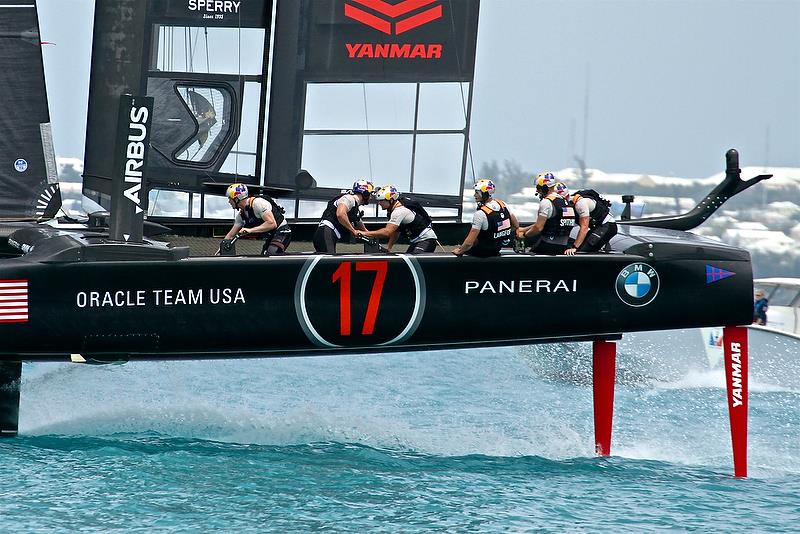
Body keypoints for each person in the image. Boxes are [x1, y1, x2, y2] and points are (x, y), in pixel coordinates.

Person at [359, 185, 438, 254]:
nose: (379, 203)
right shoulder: (393, 210)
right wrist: (389, 248)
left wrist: (364, 233)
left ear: (391, 200)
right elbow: (396, 231)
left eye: (381, 200)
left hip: (426, 240)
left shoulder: (399, 211)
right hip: (417, 241)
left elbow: (387, 232)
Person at [453, 179, 518, 257]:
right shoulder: (503, 204)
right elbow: (516, 225)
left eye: (477, 193)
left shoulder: (480, 214)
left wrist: (459, 251)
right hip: (497, 249)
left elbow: (469, 243)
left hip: (482, 253)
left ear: (484, 193)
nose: (474, 195)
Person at [222, 182, 291, 255]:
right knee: (263, 257)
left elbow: (272, 224)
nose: (229, 202)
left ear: (236, 199)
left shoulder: (258, 204)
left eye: (230, 199)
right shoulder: (241, 215)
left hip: (283, 232)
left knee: (271, 255)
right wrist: (221, 251)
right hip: (272, 235)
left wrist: (250, 230)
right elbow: (230, 236)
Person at [516, 172, 576, 255]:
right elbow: (548, 223)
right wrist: (523, 229)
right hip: (563, 246)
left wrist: (524, 235)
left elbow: (538, 227)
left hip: (548, 245)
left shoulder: (546, 202)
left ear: (544, 188)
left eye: (538, 187)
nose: (537, 190)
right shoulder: (564, 200)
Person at [313, 179, 374, 253]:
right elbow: (341, 214)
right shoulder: (349, 198)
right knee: (330, 261)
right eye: (370, 193)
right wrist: (353, 230)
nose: (371, 197)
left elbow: (358, 223)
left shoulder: (354, 208)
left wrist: (372, 236)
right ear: (365, 192)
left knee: (329, 260)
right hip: (326, 231)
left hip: (328, 233)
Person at [563, 187, 617, 255]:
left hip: (606, 226)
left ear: (567, 196)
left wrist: (574, 247)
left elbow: (584, 228)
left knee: (581, 252)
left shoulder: (580, 204)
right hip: (596, 227)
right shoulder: (566, 205)